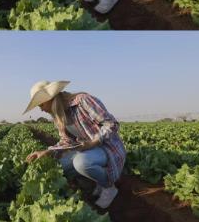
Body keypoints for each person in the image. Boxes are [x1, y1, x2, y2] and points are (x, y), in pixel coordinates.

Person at [24, 80, 125, 209]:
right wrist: (47, 151)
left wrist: (93, 142)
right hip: (88, 150)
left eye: (41, 104)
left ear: (50, 98)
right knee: (59, 166)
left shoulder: (82, 101)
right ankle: (96, 181)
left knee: (81, 163)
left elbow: (111, 124)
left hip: (107, 147)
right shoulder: (59, 115)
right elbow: (66, 141)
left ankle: (108, 187)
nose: (41, 109)